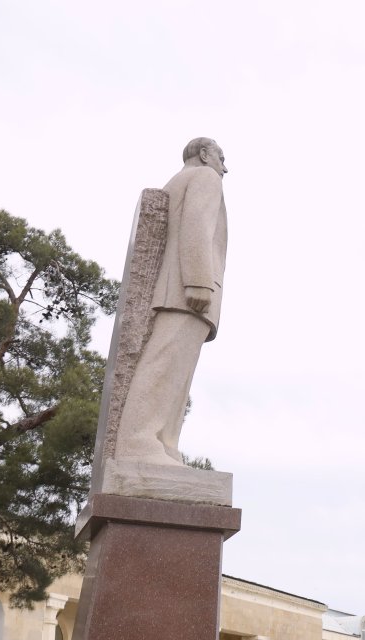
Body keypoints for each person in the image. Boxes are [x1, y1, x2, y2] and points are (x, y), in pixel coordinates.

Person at [116, 137, 229, 467]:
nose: (226, 166)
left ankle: (163, 444)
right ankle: (138, 441)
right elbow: (196, 224)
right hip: (187, 290)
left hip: (183, 289)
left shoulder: (179, 181)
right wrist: (198, 281)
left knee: (176, 371)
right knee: (165, 363)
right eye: (221, 157)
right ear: (205, 154)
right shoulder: (203, 177)